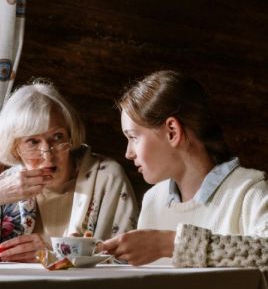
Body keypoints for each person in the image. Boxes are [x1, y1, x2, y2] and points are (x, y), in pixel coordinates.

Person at [101, 70, 268, 269]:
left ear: (172, 131)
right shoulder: (153, 200)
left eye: (133, 137)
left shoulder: (248, 190)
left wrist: (170, 245)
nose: (128, 153)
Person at [0, 80, 138, 262]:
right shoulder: (6, 184)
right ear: (15, 147)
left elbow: (129, 258)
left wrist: (55, 251)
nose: (48, 156)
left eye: (57, 137)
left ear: (70, 135)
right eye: (33, 142)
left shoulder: (107, 176)